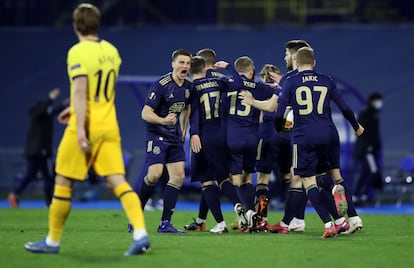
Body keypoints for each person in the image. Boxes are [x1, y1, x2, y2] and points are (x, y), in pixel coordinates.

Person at [24, 3, 150, 256]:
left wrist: (79, 128)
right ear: (97, 24)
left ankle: (52, 241)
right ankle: (140, 233)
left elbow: (82, 91)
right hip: (109, 124)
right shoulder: (112, 51)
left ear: (75, 26)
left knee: (63, 179)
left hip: (87, 125)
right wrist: (73, 107)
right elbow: (100, 90)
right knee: (118, 181)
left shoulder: (78, 52)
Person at [274, 47, 364, 238]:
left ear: (296, 63)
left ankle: (328, 224)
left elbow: (280, 112)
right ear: (314, 63)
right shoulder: (327, 80)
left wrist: (278, 128)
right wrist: (356, 126)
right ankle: (340, 215)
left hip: (303, 136)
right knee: (322, 176)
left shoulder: (290, 81)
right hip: (327, 135)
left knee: (308, 181)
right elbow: (345, 107)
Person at [184, 49, 250, 233]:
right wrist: (230, 67)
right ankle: (238, 204)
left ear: (191, 70)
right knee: (221, 178)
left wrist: (194, 133)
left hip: (203, 136)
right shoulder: (218, 81)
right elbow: (238, 83)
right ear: (205, 68)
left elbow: (194, 113)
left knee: (206, 181)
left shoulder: (192, 87)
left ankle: (220, 223)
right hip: (221, 135)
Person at [137, 48, 192, 233]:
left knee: (178, 177)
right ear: (173, 64)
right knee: (154, 175)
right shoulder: (161, 84)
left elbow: (186, 109)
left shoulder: (188, 87)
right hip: (156, 135)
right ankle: (136, 215)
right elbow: (145, 113)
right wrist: (163, 120)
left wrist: (183, 130)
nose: (185, 66)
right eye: (181, 62)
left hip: (174, 137)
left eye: (188, 63)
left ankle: (165, 224)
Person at [8, 88, 67, 208]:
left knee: (32, 174)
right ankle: (49, 202)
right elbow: (45, 110)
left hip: (36, 151)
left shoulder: (44, 117)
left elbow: (52, 111)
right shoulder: (38, 116)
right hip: (40, 151)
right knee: (47, 177)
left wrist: (63, 105)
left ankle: (15, 194)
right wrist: (50, 98)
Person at [353, 92, 383, 206]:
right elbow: (363, 132)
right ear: (372, 101)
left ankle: (357, 196)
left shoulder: (374, 114)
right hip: (365, 149)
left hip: (370, 149)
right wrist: (369, 146)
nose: (379, 103)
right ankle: (362, 195)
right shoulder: (365, 113)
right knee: (372, 170)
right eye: (377, 101)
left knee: (366, 171)